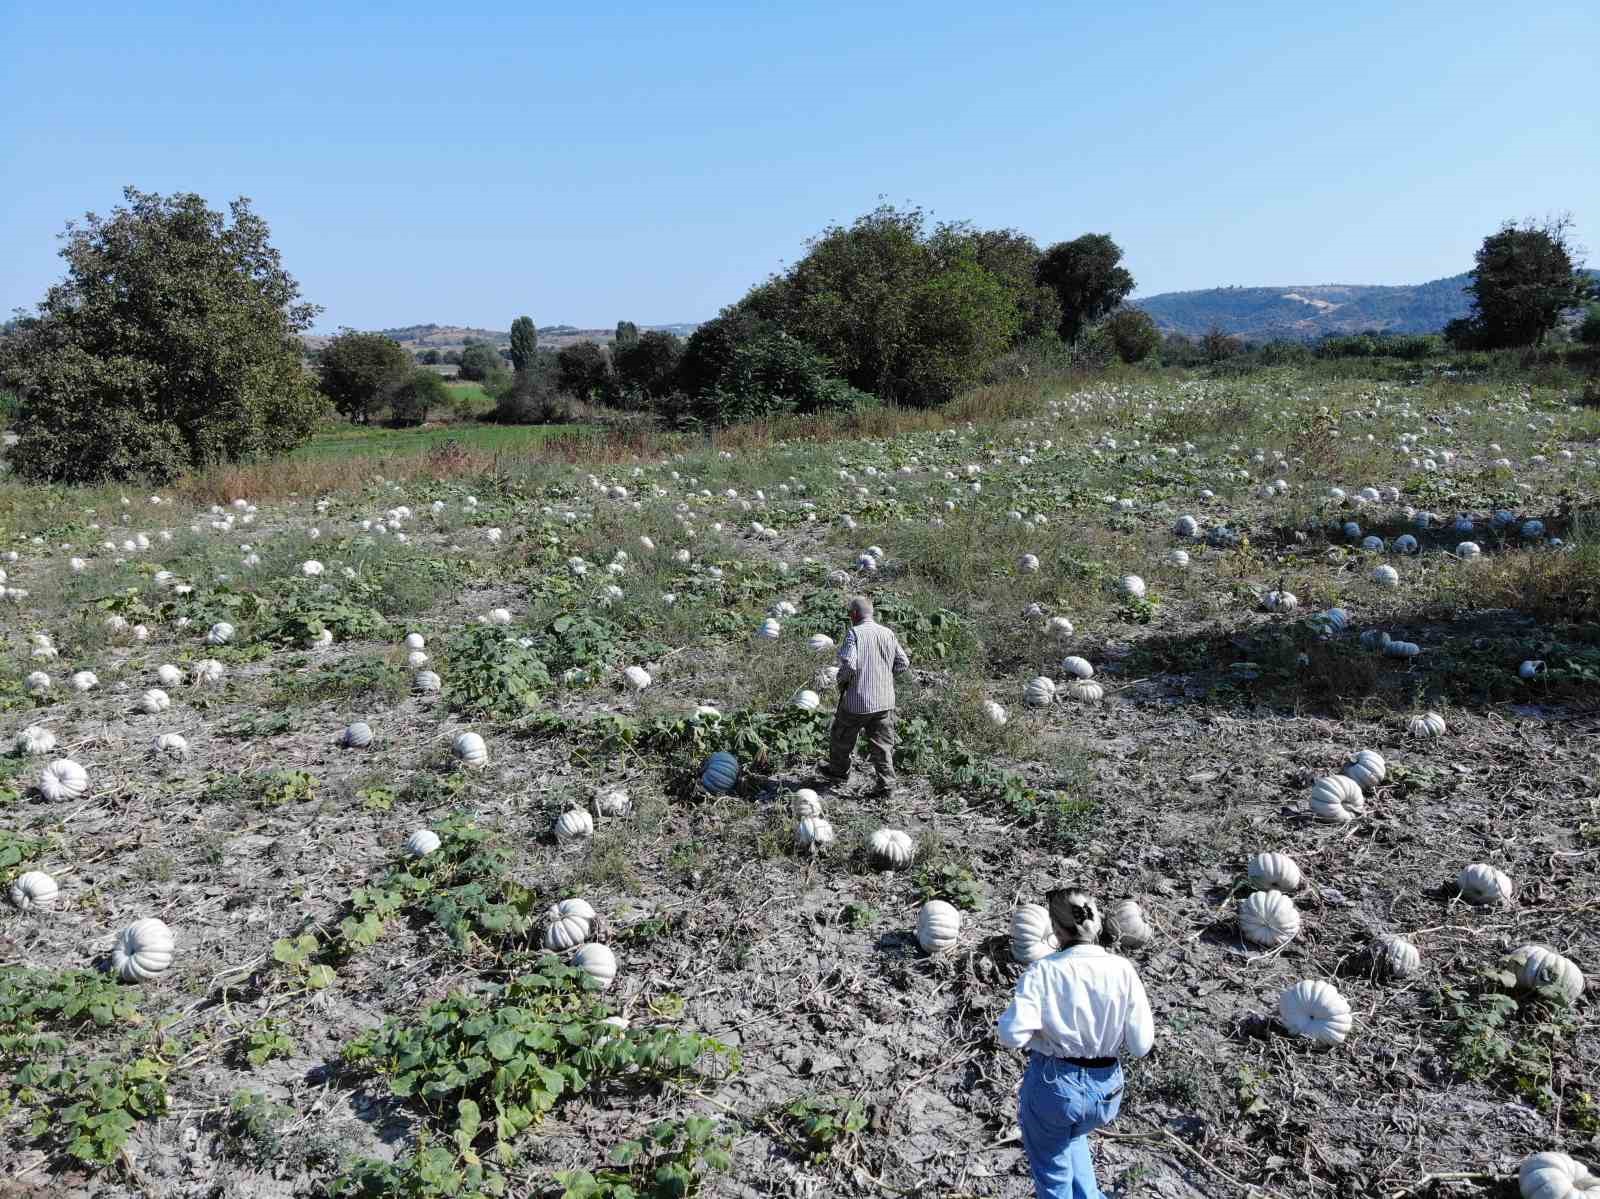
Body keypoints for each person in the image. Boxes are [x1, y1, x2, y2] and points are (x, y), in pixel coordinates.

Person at [997, 888, 1154, 1199]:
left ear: (1055, 930)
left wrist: (1042, 1034)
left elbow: (1011, 1035)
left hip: (1055, 1087)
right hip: (1105, 1093)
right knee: (1071, 1138)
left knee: (1052, 1175)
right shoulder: (1123, 969)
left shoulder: (1043, 971)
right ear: (1096, 923)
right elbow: (1140, 1045)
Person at [822, 595, 909, 796]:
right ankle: (886, 787)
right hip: (885, 701)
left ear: (854, 614)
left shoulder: (855, 633)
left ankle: (839, 773)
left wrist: (842, 680)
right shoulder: (888, 633)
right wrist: (885, 676)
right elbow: (903, 662)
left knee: (841, 737)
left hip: (857, 701)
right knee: (882, 746)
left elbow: (850, 664)